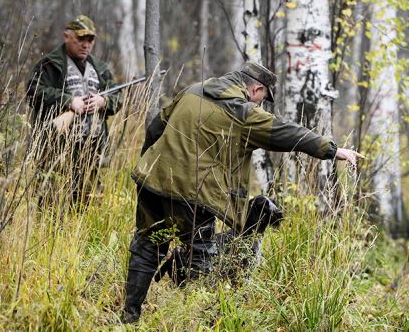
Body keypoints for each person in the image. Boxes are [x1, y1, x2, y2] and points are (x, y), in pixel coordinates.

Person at [122, 61, 365, 323]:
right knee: (200, 259)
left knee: (147, 246)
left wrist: (148, 166)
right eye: (263, 99)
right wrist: (332, 150)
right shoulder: (243, 112)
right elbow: (286, 132)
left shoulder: (193, 90)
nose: (261, 105)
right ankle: (193, 323)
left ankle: (129, 317)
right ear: (256, 88)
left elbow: (155, 129)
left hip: (151, 181)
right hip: (194, 193)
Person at [27, 15, 121, 205]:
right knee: (52, 204)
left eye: (90, 40)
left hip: (92, 149)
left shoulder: (101, 68)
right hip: (56, 149)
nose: (86, 45)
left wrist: (103, 101)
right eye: (80, 39)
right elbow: (34, 92)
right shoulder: (49, 64)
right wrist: (68, 102)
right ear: (67, 36)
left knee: (90, 204)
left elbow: (118, 99)